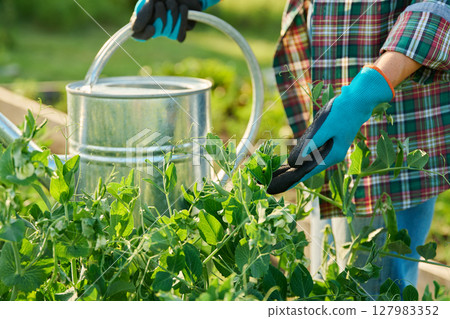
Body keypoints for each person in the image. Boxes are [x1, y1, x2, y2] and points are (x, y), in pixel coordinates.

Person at [131, 0, 450, 296]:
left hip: (392, 130)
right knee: (333, 283)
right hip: (330, 121)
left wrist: (370, 89)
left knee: (370, 290)